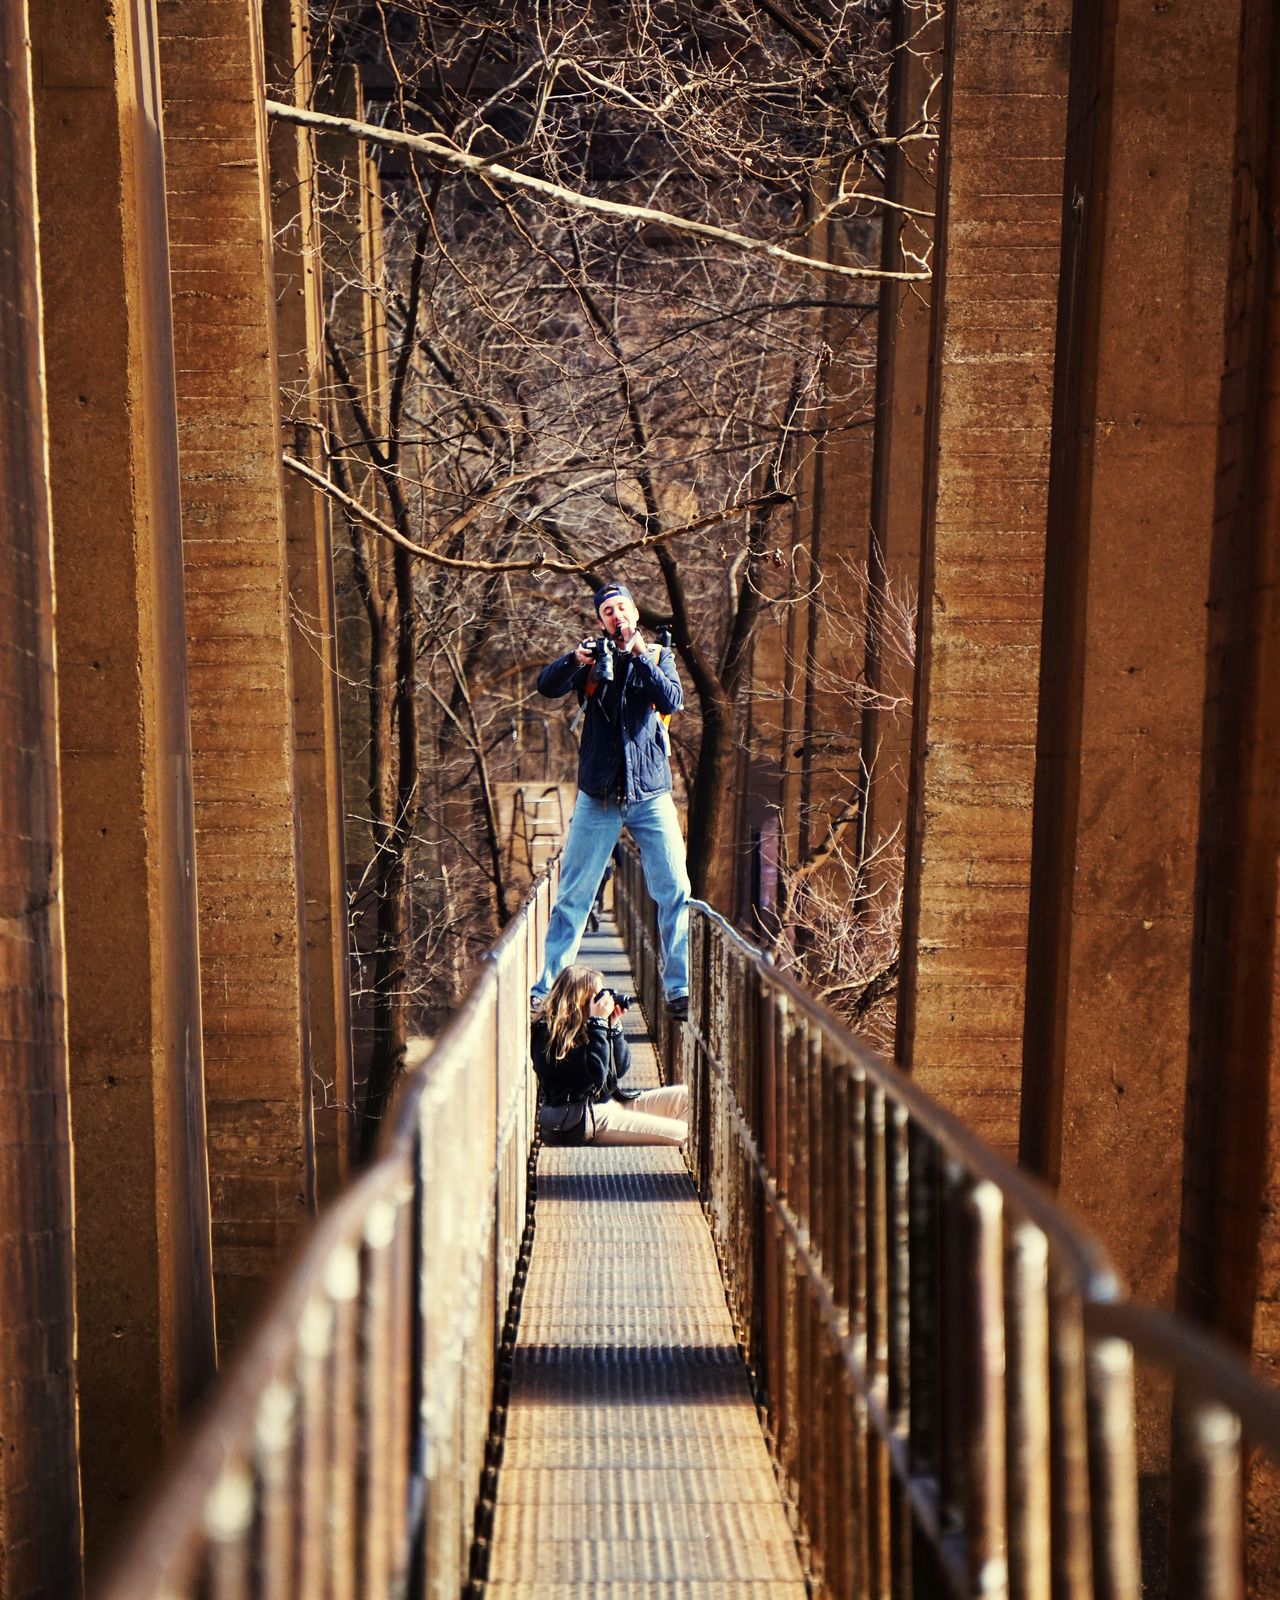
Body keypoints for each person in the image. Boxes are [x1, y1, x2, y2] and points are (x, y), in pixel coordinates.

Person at [530, 581, 691, 1019]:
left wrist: (640, 655)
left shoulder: (657, 656)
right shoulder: (592, 658)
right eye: (608, 612)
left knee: (675, 888)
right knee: (573, 898)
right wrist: (575, 659)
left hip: (651, 796)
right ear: (600, 622)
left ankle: (678, 989)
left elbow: (672, 699)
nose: (616, 616)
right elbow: (546, 686)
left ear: (635, 615)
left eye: (622, 608)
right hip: (598, 797)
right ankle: (545, 988)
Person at [532, 966, 689, 1147]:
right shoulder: (550, 1035)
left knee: (685, 1097)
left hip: (609, 1104)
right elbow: (595, 1075)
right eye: (597, 996)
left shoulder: (584, 1025)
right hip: (583, 1119)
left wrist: (612, 1028)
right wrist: (598, 1024)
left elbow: (620, 1068)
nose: (603, 1002)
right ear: (580, 1000)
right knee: (684, 1133)